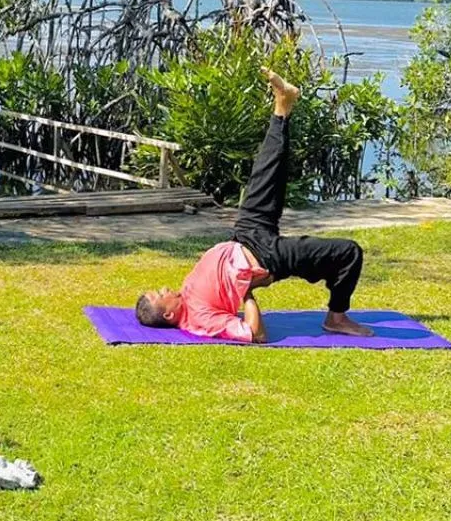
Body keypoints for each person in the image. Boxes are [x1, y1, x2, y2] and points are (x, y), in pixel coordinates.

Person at [135, 69, 373, 343]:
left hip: (243, 236)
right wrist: (245, 290)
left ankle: (282, 106)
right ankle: (337, 318)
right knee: (348, 252)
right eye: (160, 294)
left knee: (266, 172)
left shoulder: (186, 297)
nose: (165, 288)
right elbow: (255, 333)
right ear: (169, 315)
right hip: (265, 256)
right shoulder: (199, 318)